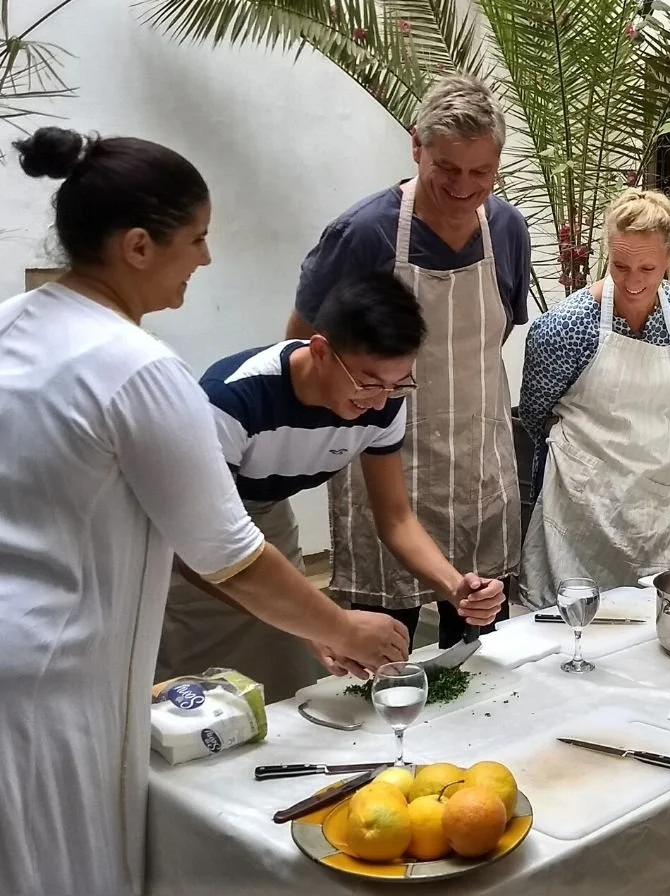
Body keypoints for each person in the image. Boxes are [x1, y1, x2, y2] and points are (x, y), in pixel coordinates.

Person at [0, 128, 408, 896]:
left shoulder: (13, 322)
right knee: (68, 867)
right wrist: (343, 628)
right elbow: (229, 553)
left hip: (15, 650)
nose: (207, 260)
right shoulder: (141, 370)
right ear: (138, 247)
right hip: (58, 678)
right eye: (198, 238)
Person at [156, 274, 506, 701]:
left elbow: (395, 518)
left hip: (265, 517)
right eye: (368, 382)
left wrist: (454, 588)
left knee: (289, 680)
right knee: (206, 696)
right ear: (320, 351)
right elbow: (201, 555)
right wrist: (319, 624)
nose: (379, 402)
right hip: (186, 533)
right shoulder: (231, 399)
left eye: (398, 384)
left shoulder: (383, 400)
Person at [288, 74, 530, 647]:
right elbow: (302, 346)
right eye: (447, 168)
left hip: (477, 466)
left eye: (481, 173)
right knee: (381, 649)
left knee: (479, 646)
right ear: (416, 146)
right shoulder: (363, 234)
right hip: (382, 464)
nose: (464, 187)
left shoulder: (507, 230)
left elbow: (487, 342)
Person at [518, 189, 670, 608]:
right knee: (574, 627)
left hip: (659, 506)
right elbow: (535, 416)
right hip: (581, 508)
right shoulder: (564, 327)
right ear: (607, 252)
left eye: (648, 267)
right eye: (620, 266)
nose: (634, 281)